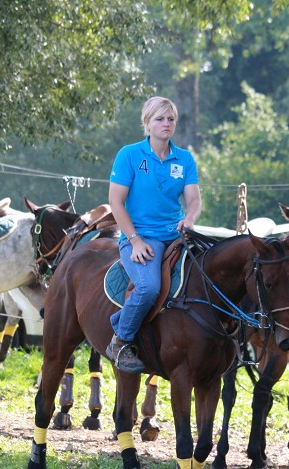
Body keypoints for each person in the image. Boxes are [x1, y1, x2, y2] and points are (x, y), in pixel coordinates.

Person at [106, 96, 203, 373]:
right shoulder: (130, 155)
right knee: (149, 288)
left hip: (177, 234)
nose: (167, 124)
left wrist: (190, 218)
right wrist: (134, 240)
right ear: (146, 123)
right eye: (160, 119)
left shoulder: (184, 159)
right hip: (141, 237)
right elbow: (116, 202)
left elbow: (194, 200)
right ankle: (121, 339)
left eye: (171, 119)